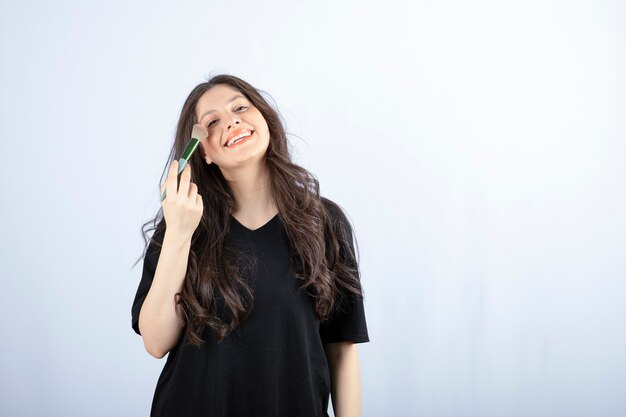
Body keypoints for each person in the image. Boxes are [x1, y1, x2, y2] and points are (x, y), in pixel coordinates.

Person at [131, 74, 370, 417]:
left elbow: (342, 348)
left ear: (265, 119)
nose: (232, 121)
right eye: (213, 121)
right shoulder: (181, 223)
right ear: (204, 152)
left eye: (240, 107)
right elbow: (155, 343)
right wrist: (179, 234)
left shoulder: (325, 222)